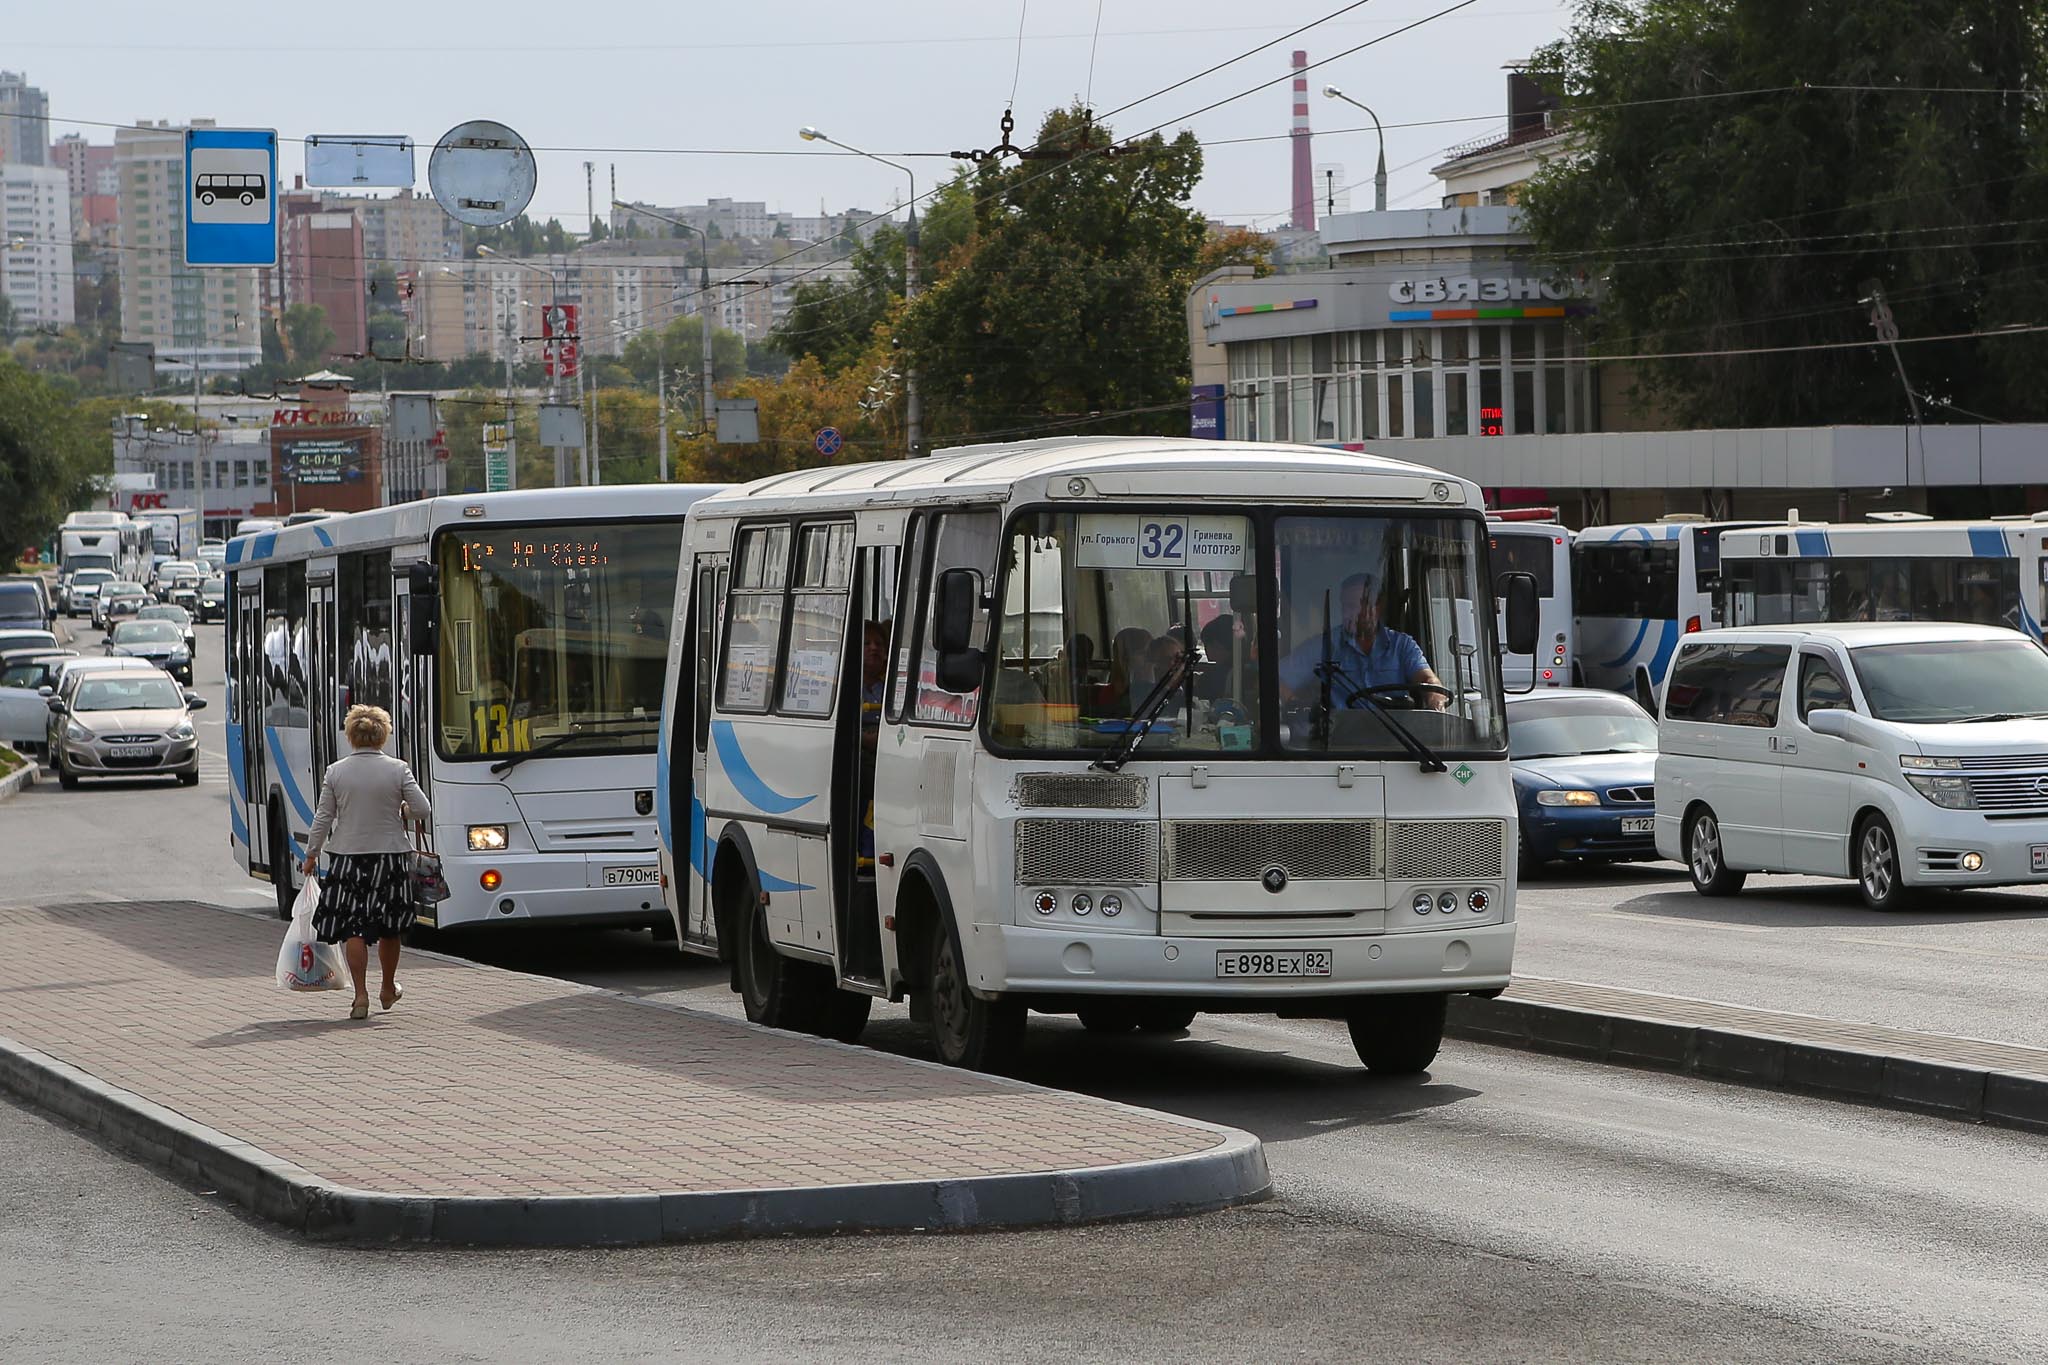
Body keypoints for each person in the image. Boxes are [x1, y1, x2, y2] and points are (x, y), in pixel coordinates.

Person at [300, 704, 432, 1020]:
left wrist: (311, 854)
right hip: (390, 857)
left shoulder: (336, 771)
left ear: (351, 735)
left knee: (353, 928)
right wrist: (403, 812)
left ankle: (361, 996)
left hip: (347, 857)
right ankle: (388, 987)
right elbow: (422, 808)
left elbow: (324, 817)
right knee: (390, 928)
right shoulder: (398, 769)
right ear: (383, 734)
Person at [1279, 570, 1447, 709]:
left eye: (1364, 605)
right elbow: (1279, 679)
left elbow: (1429, 680)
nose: (1357, 613)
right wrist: (1301, 713)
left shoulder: (1402, 646)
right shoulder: (1326, 646)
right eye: (1349, 606)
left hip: (1397, 741)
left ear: (1379, 607)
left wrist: (1434, 697)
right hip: (1340, 742)